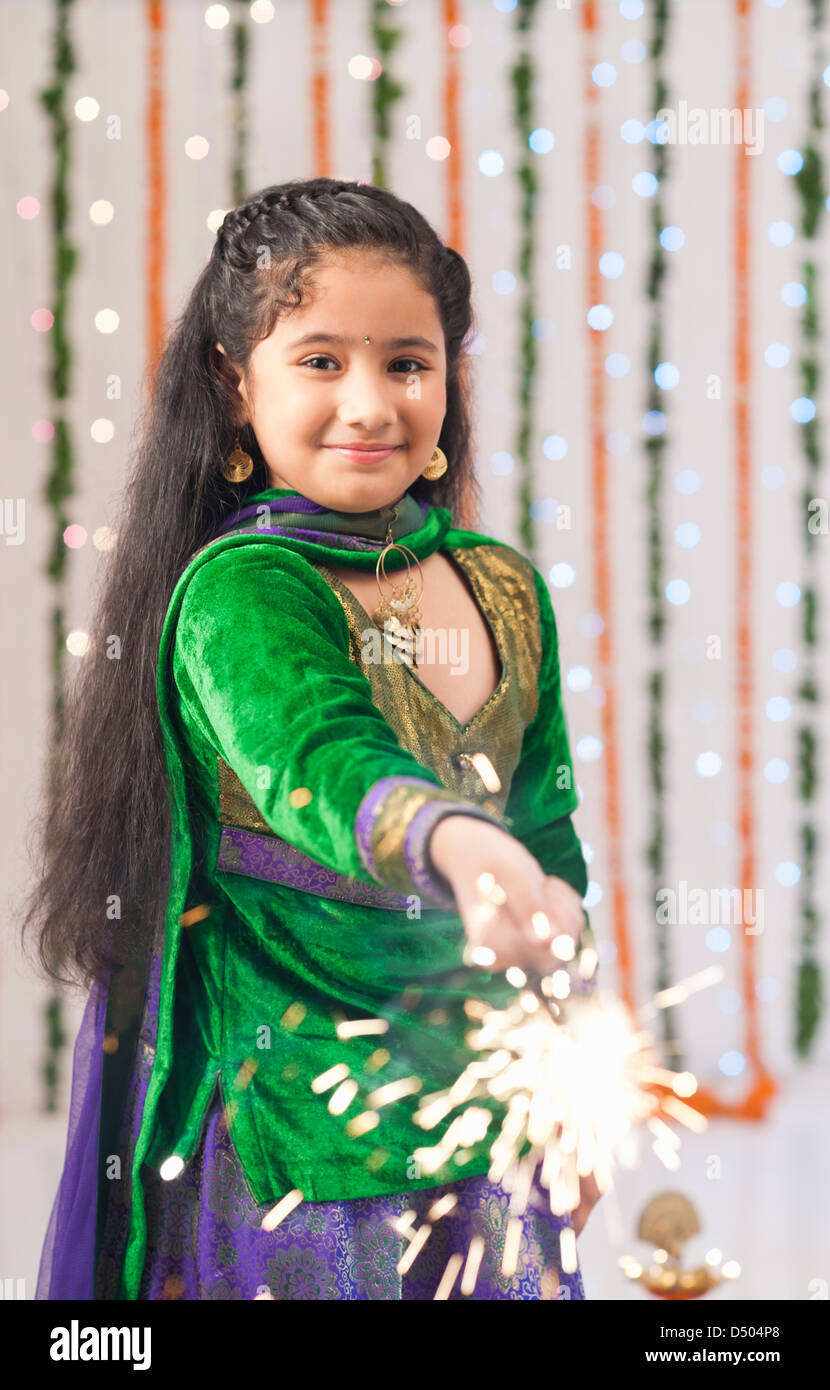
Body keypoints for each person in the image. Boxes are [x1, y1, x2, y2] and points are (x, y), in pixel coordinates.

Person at [24, 177, 600, 1302]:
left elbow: (548, 839)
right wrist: (452, 841)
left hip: (480, 1112)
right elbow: (318, 761)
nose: (372, 404)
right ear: (237, 386)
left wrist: (570, 1070)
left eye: (407, 362)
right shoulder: (241, 590)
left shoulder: (501, 589)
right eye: (321, 361)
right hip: (290, 1121)